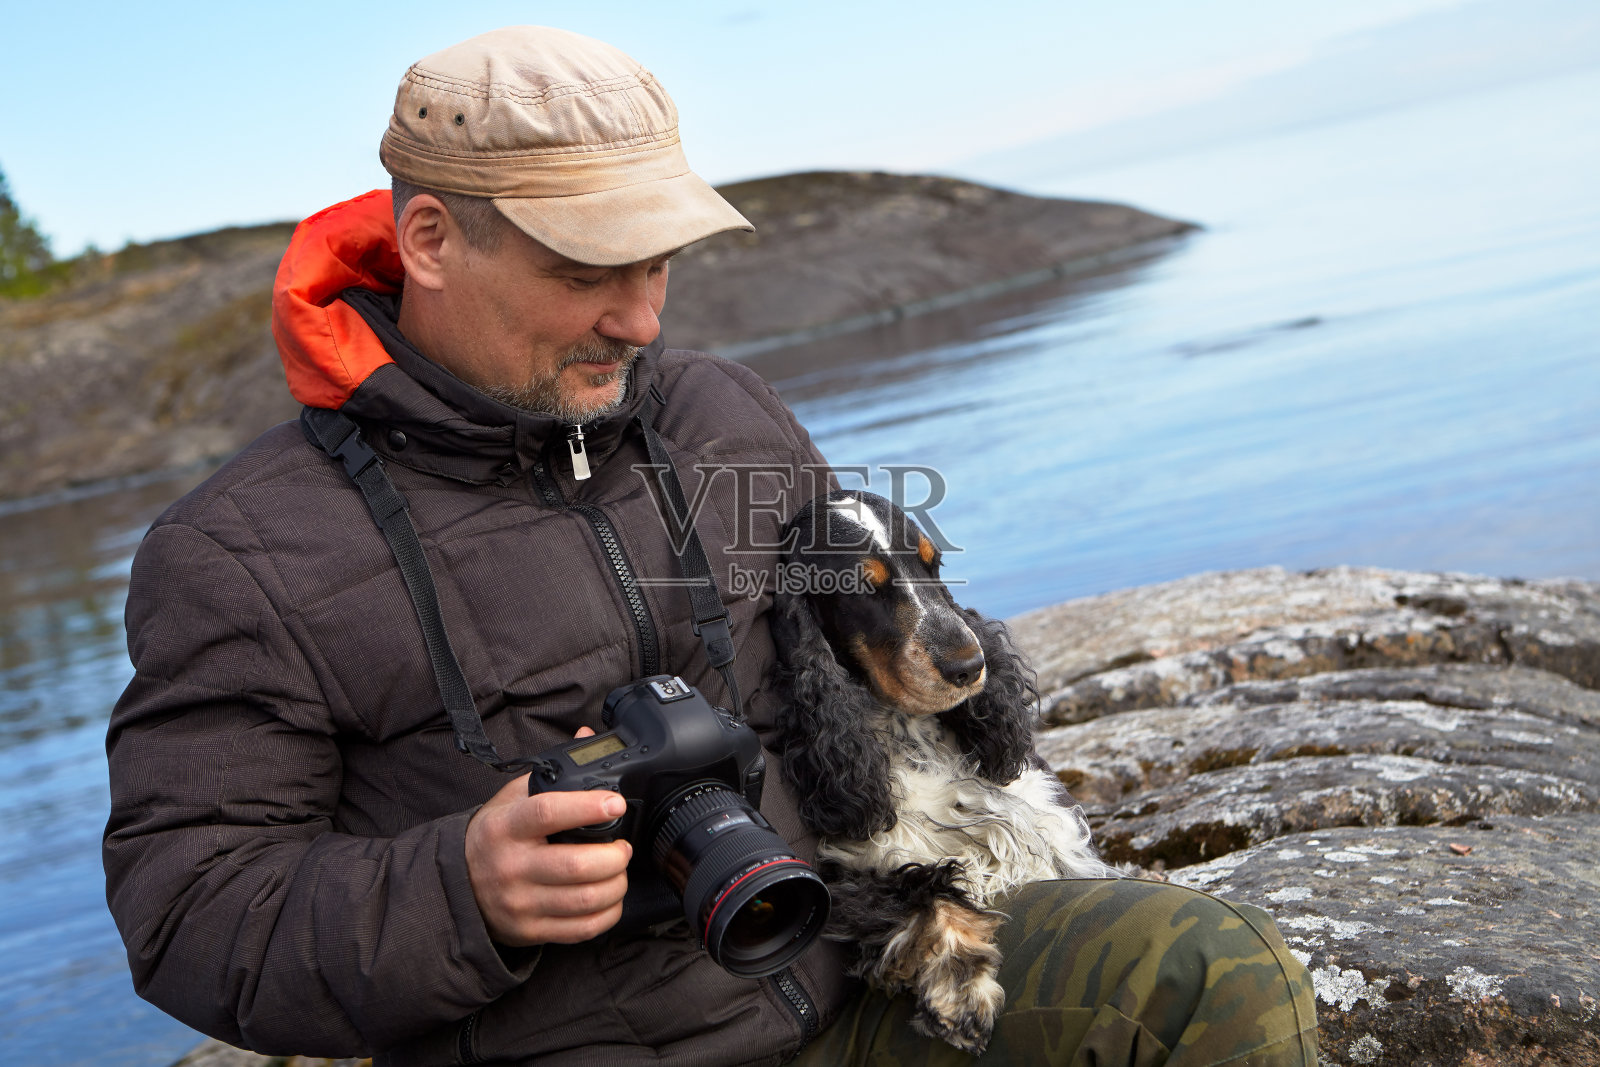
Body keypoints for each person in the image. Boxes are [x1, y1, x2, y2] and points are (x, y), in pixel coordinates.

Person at [103, 25, 1317, 1066]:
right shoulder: (240, 553)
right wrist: (460, 889)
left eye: (659, 262)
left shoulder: (723, 411)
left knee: (1213, 971)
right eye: (586, 270)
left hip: (866, 984)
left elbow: (876, 624)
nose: (642, 319)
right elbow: (187, 909)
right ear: (428, 240)